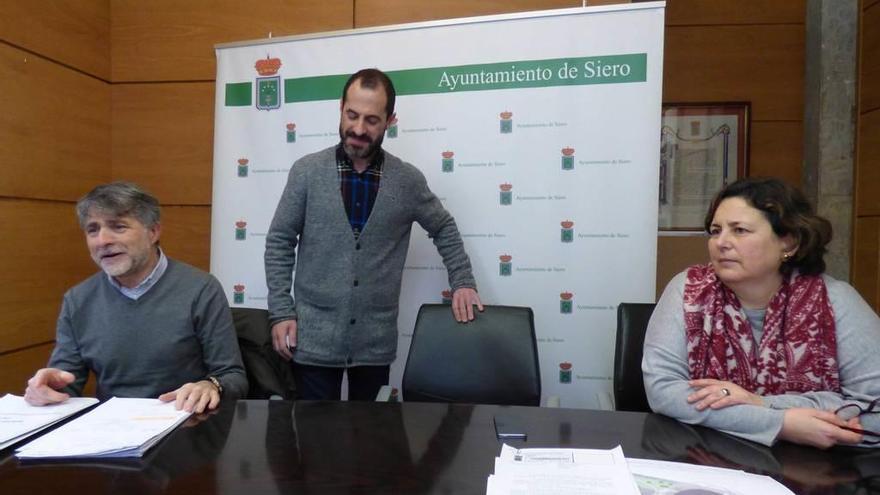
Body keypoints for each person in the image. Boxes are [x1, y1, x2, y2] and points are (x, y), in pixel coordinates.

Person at [265, 68, 483, 401]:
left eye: (371, 120)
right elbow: (280, 241)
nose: (358, 129)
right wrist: (282, 311)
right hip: (311, 341)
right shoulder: (306, 172)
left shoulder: (407, 181)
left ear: (389, 121)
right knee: (311, 446)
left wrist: (463, 281)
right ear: (340, 108)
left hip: (374, 344)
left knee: (369, 444)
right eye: (352, 115)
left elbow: (443, 227)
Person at [643, 177, 880, 449]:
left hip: (816, 468)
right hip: (707, 456)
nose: (721, 242)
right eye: (715, 230)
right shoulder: (689, 291)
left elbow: (874, 409)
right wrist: (780, 424)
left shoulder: (836, 301)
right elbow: (664, 391)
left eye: (740, 230)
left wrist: (760, 403)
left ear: (788, 243)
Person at [24, 182, 247, 413]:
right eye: (93, 230)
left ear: (153, 232)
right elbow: (65, 383)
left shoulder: (201, 289)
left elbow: (232, 376)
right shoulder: (78, 300)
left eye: (118, 227)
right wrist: (47, 390)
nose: (102, 241)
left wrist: (209, 385)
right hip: (110, 433)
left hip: (186, 424)